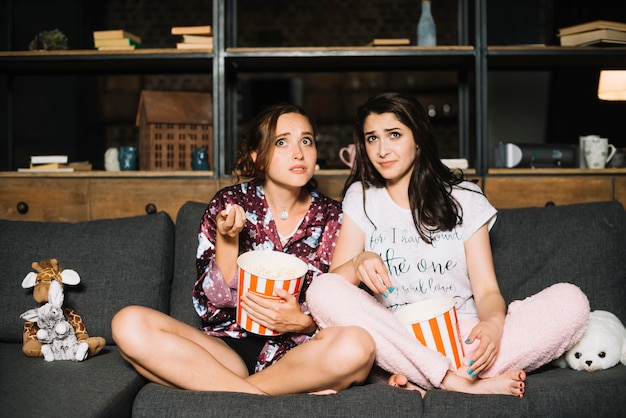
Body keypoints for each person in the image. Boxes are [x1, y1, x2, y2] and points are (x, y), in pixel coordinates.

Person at [305, 92, 590, 397]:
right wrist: (358, 262)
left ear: (419, 138)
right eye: (372, 138)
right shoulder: (362, 196)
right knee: (322, 290)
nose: (382, 149)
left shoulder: (465, 198)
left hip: (462, 337)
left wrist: (493, 325)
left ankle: (419, 377)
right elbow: (336, 288)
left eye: (394, 135)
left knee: (571, 302)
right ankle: (456, 383)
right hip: (396, 337)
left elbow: (488, 291)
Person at [112, 103, 375, 395]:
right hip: (226, 351)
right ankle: (257, 395)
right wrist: (227, 239)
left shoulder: (334, 217)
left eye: (306, 140)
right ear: (257, 158)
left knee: (359, 348)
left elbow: (342, 301)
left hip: (299, 356)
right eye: (281, 142)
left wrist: (302, 323)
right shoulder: (230, 203)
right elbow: (216, 302)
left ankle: (234, 392)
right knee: (128, 323)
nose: (298, 152)